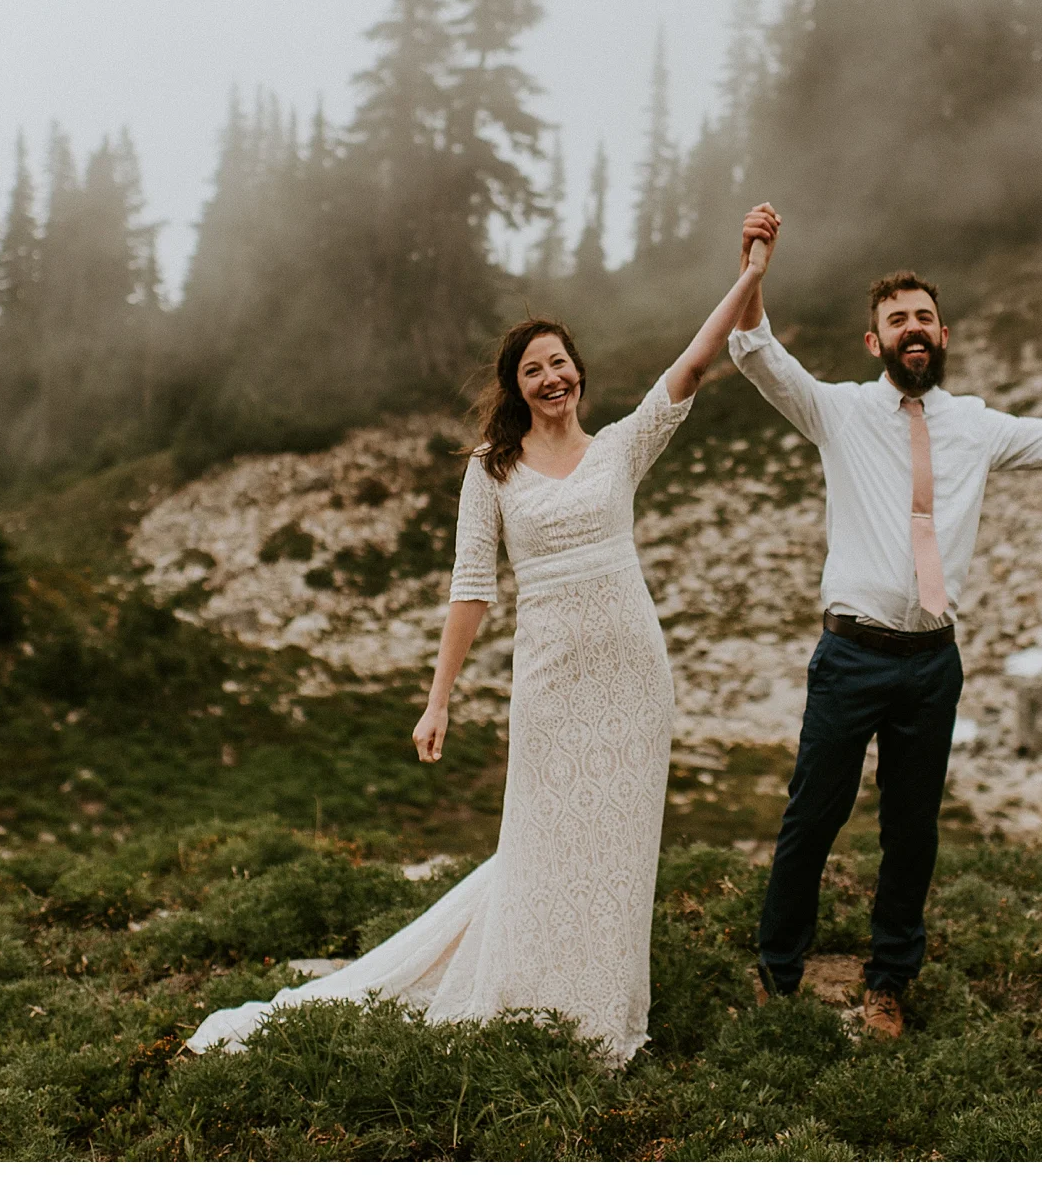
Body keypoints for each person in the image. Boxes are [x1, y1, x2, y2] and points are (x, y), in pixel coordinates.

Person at [185, 234, 777, 1065]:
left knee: (618, 852)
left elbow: (694, 361)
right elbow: (471, 587)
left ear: (579, 372)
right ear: (517, 388)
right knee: (542, 846)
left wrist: (749, 276)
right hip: (551, 682)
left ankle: (603, 1017)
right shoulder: (492, 470)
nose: (552, 379)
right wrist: (439, 698)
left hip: (635, 679)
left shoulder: (621, 448)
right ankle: (532, 1002)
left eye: (561, 363)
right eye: (533, 369)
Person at [727, 202, 1042, 1040]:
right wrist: (753, 272)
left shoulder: (977, 425)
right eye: (896, 321)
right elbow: (755, 353)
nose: (911, 330)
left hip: (931, 663)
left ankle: (889, 984)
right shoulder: (839, 412)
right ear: (874, 343)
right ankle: (777, 976)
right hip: (850, 656)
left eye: (923, 317)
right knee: (812, 817)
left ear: (944, 335)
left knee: (911, 834)